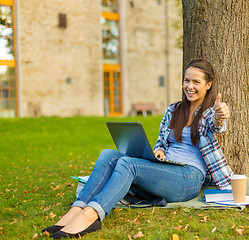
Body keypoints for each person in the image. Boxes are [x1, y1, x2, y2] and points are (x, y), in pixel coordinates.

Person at [42, 58, 233, 239]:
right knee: (108, 154)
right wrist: (159, 151)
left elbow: (216, 125)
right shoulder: (173, 110)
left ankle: (91, 216)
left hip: (188, 178)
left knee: (128, 165)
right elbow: (161, 141)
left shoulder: (209, 113)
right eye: (186, 80)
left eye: (196, 82)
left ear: (208, 85)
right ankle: (76, 210)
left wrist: (219, 115)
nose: (189, 86)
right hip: (168, 167)